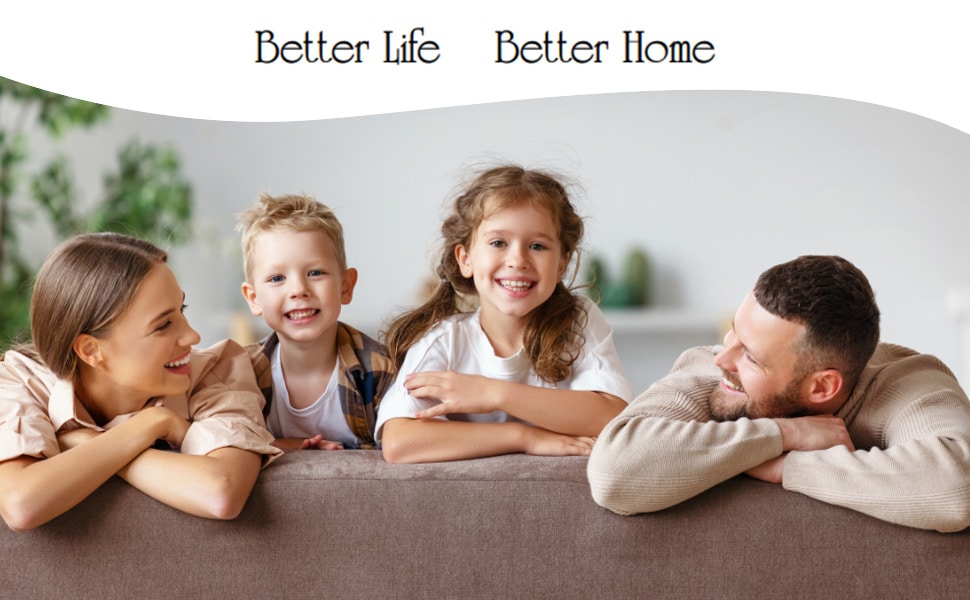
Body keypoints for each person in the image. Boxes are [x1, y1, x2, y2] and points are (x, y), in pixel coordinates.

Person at [587, 255, 970, 532]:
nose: (723, 358)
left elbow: (957, 487)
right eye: (733, 331)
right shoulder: (709, 368)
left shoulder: (909, 382)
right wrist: (786, 435)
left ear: (822, 387)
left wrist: (785, 467)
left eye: (751, 357)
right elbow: (614, 471)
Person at [0, 233, 281, 531]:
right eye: (163, 325)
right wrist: (153, 423)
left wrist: (86, 443)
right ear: (91, 350)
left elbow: (221, 492)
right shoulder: (20, 381)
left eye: (181, 310)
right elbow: (21, 505)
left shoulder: (217, 369)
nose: (193, 337)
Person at [377, 165, 632, 463]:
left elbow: (612, 416)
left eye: (537, 246)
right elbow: (399, 443)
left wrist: (494, 393)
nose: (517, 260)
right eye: (498, 243)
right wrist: (524, 437)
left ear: (561, 265)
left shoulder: (579, 321)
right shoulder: (443, 341)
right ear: (466, 259)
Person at [238, 193, 394, 451]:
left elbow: (402, 452)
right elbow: (226, 442)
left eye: (315, 273)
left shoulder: (379, 372)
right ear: (254, 298)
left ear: (345, 286)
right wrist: (286, 445)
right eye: (277, 278)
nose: (298, 289)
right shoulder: (242, 374)